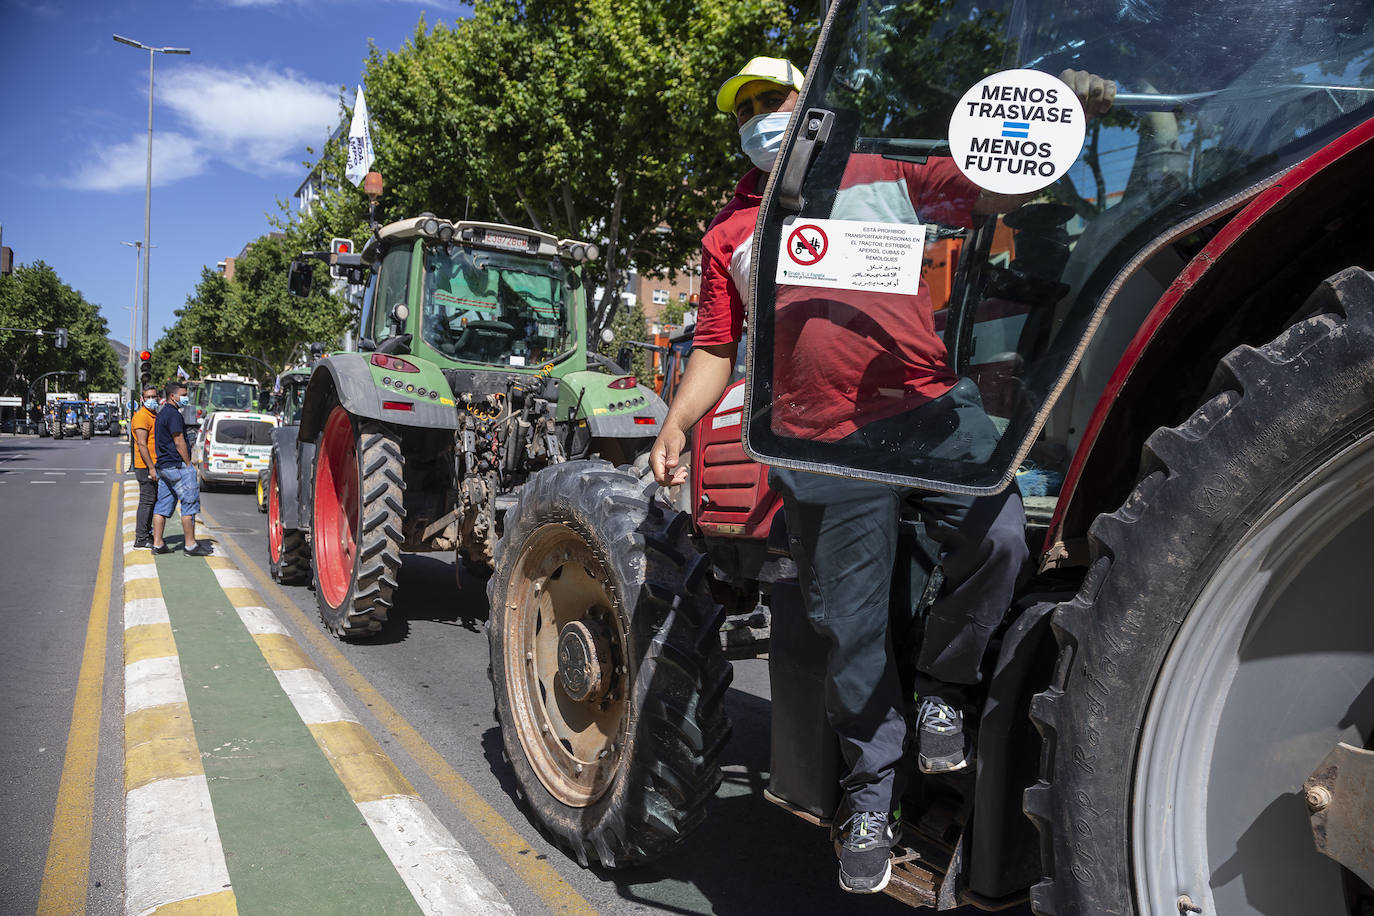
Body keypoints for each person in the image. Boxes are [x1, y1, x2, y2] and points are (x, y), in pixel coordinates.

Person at [649, 56, 1113, 895]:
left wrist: (1052, 122)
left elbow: (992, 189)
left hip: (929, 413)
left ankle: (944, 686)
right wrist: (678, 424)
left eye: (774, 100)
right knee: (850, 627)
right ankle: (871, 794)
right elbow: (719, 348)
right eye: (746, 107)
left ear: (812, 103)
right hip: (817, 441)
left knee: (999, 537)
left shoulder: (882, 173)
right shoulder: (728, 233)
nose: (760, 117)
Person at [151, 381, 212, 556]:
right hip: (176, 465)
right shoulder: (174, 415)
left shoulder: (162, 414)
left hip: (163, 466)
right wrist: (188, 465)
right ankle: (190, 545)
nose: (186, 398)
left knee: (162, 505)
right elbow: (179, 441)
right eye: (183, 395)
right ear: (173, 396)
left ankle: (157, 544)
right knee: (189, 504)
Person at [130, 385, 161, 548]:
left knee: (152, 500)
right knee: (147, 501)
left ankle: (146, 534)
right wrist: (151, 468)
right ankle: (141, 538)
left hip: (153, 464)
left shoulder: (153, 415)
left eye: (153, 397)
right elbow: (142, 444)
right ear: (142, 399)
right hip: (145, 466)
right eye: (148, 397)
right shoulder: (142, 417)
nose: (151, 400)